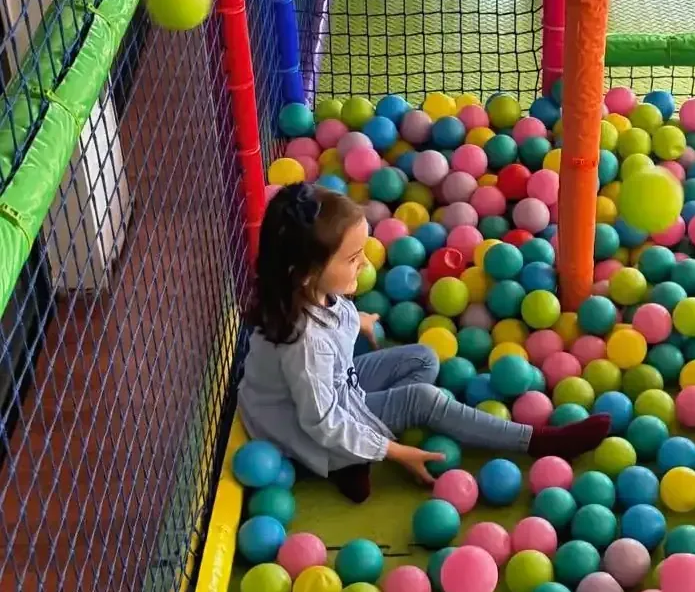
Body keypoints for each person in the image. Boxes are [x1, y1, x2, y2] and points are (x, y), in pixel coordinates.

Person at [238, 183, 610, 503]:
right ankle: (539, 441)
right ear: (305, 273)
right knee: (423, 399)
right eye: (353, 259)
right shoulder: (306, 346)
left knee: (423, 360)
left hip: (333, 389)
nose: (365, 265)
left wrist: (358, 321)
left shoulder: (306, 294)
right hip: (304, 427)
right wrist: (394, 451)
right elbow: (321, 421)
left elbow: (333, 324)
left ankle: (356, 453)